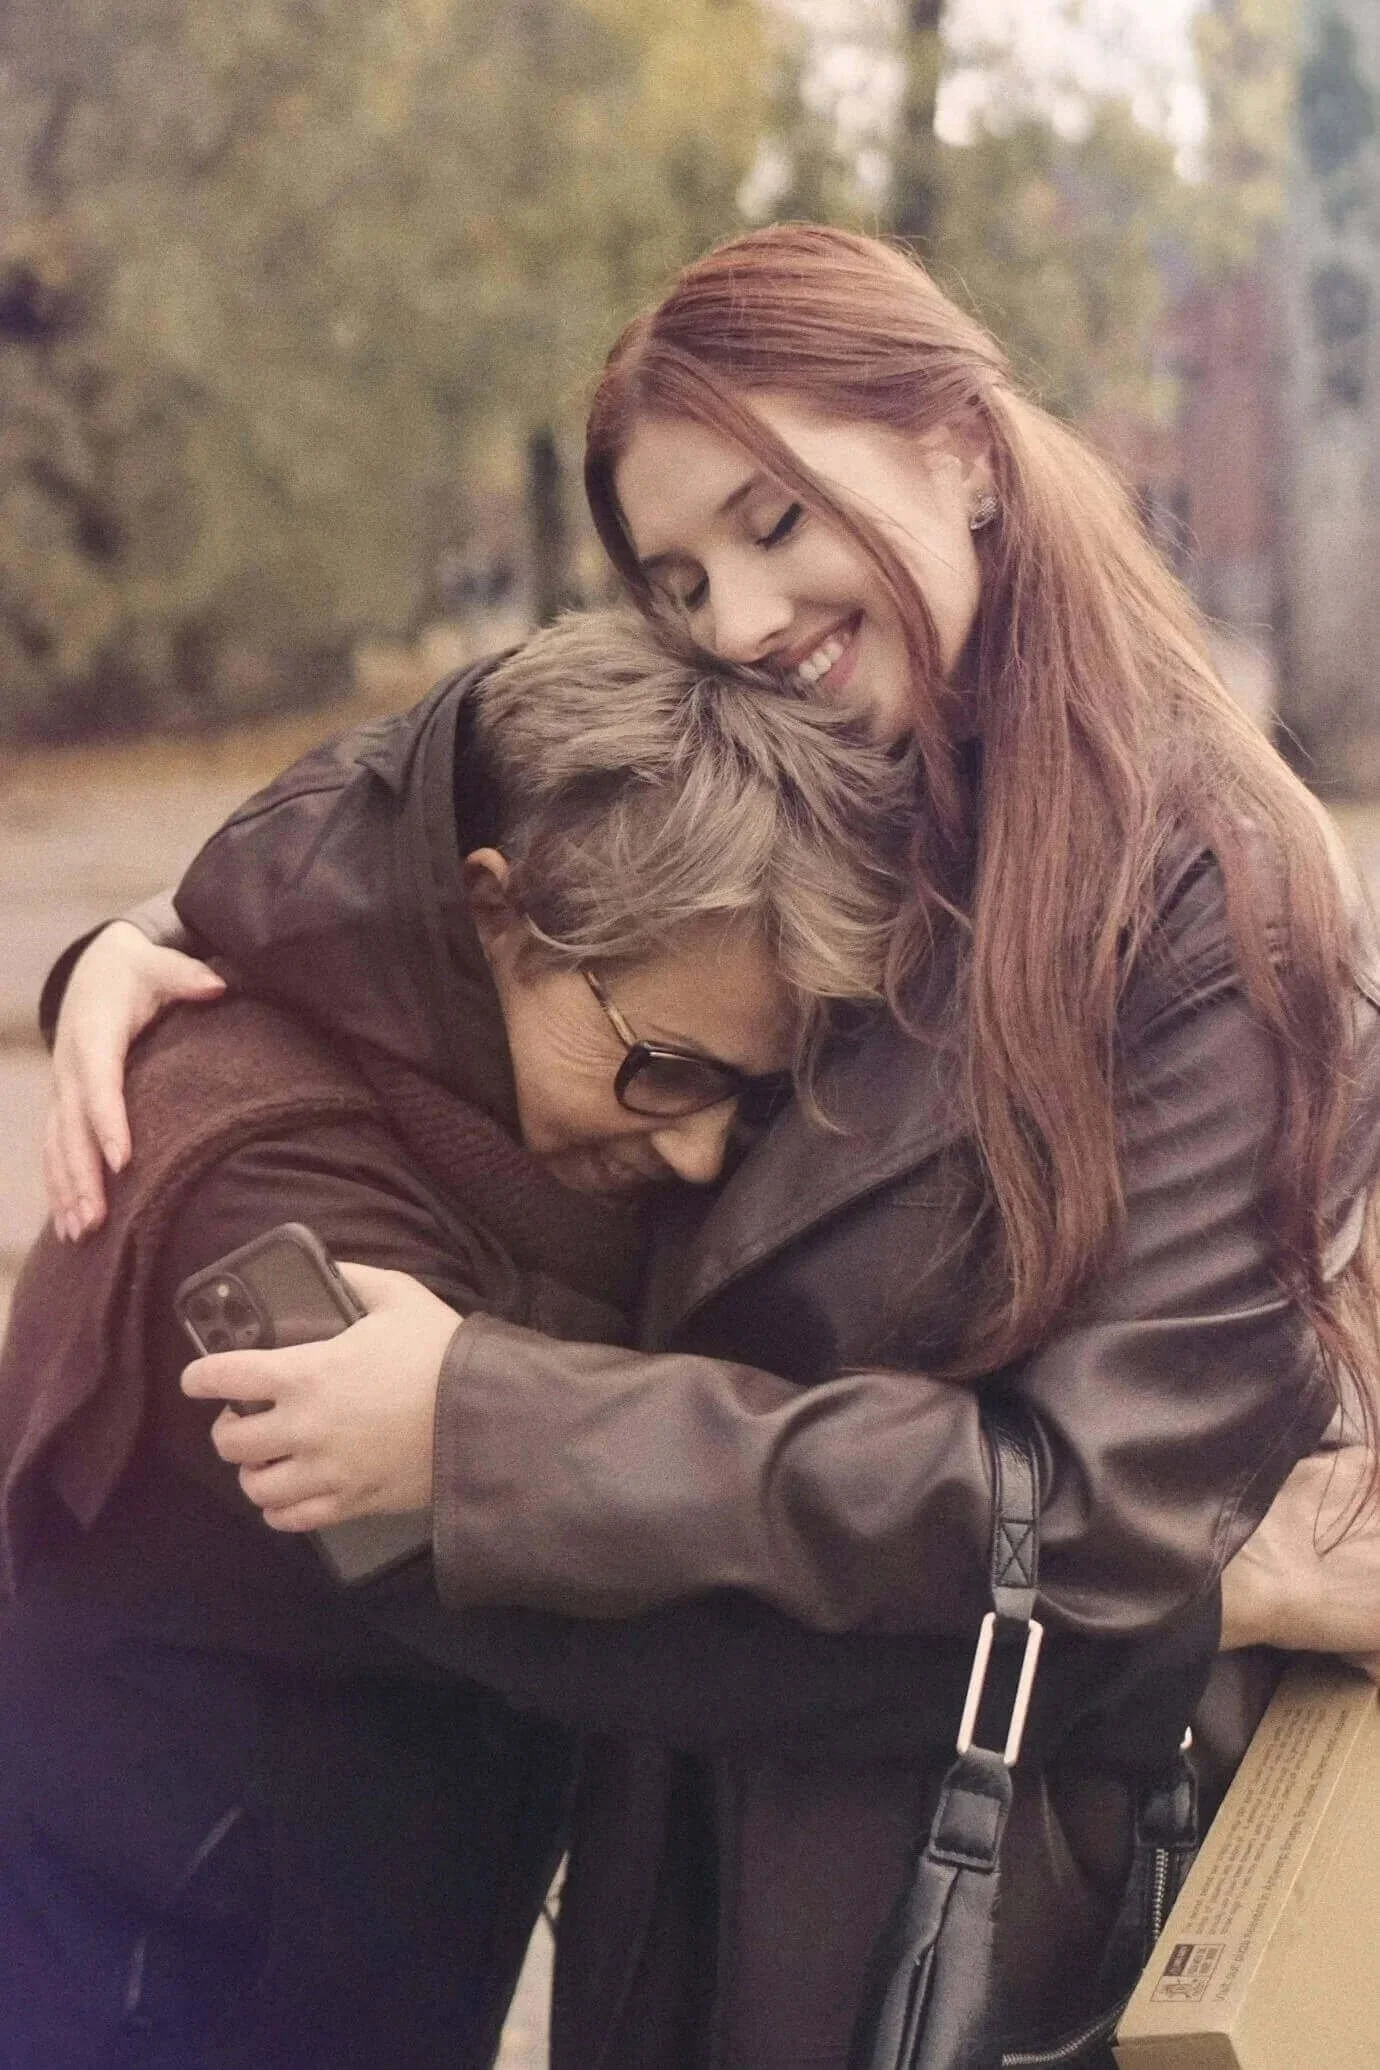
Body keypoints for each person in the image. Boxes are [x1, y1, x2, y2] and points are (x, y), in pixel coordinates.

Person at [36, 225, 1380, 2068]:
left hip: (966, 1860)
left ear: (966, 451)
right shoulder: (823, 776)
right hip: (683, 1838)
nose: (736, 620)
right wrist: (143, 942)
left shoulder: (1210, 899)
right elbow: (428, 786)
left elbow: (1098, 1508)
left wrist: (489, 1422)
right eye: (675, 575)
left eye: (772, 519)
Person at [0, 606, 918, 2068]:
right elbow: (606, 1617)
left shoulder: (467, 1063)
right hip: (152, 1981)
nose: (696, 1159)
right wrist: (1123, 1603)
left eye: (743, 1102)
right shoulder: (265, 1206)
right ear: (494, 910)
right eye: (666, 1070)